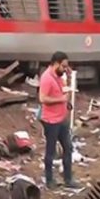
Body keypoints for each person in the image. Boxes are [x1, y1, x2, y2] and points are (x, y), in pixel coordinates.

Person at [39, 51, 77, 189]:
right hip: (51, 121)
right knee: (51, 151)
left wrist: (68, 80)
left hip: (62, 119)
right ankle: (49, 180)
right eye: (63, 66)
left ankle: (68, 179)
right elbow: (42, 98)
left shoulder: (60, 76)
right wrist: (60, 99)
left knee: (68, 147)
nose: (65, 69)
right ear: (55, 64)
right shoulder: (46, 78)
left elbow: (64, 90)